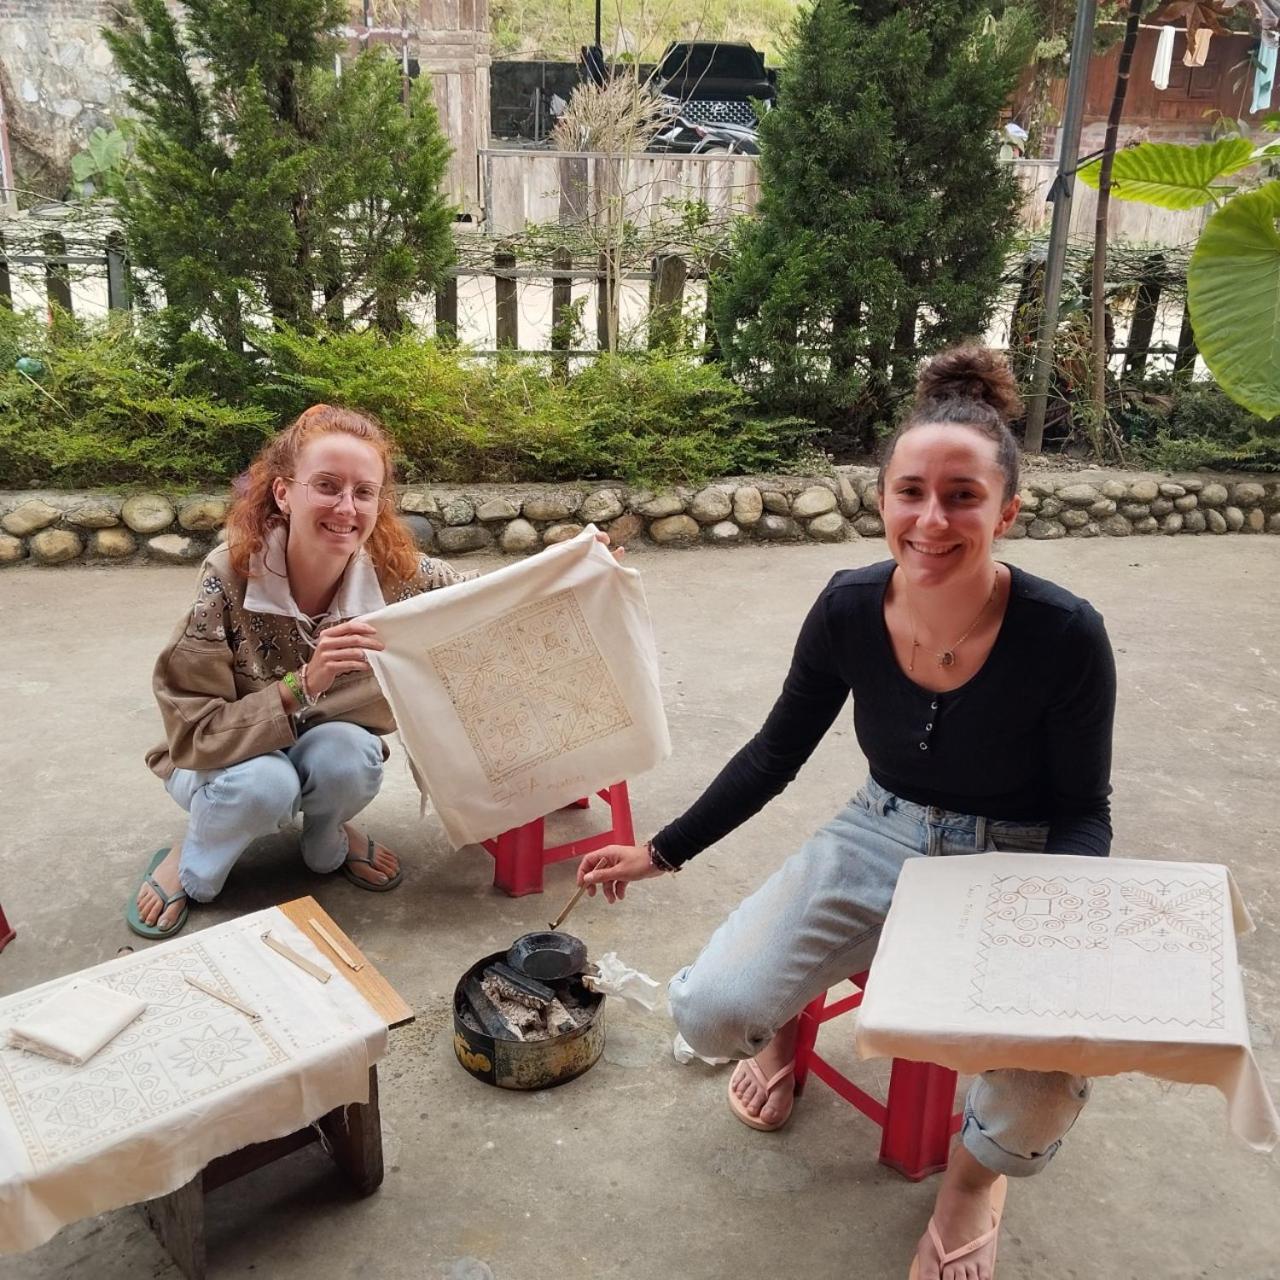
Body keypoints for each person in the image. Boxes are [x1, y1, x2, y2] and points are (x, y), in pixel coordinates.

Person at [575, 346, 1116, 1280]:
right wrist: (660, 850)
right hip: (880, 829)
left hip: (1018, 857)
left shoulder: (1065, 634)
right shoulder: (849, 607)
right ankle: (791, 1022)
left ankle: (970, 1185)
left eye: (963, 497)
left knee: (1041, 1089)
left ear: (1007, 511)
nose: (932, 520)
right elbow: (776, 751)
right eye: (912, 492)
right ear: (881, 500)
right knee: (709, 1013)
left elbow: (1083, 812)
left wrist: (1050, 935)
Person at [128, 404, 476, 938]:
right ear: (283, 493)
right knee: (264, 784)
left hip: (319, 748)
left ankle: (327, 839)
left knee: (352, 755)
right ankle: (194, 854)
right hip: (218, 760)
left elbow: (493, 596)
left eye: (364, 492)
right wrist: (303, 684)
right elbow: (194, 733)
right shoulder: (228, 575)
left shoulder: (399, 575)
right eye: (327, 486)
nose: (347, 507)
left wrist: (584, 564)